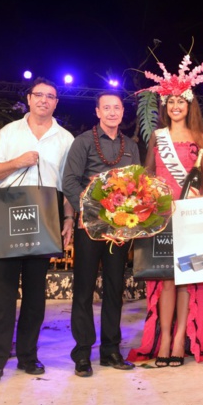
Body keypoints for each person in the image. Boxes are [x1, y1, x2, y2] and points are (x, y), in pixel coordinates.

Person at [127, 54, 203, 367]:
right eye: (171, 102)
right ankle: (164, 337)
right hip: (163, 216)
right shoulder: (158, 138)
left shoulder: (201, 137)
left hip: (191, 215)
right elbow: (146, 176)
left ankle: (180, 338)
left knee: (190, 276)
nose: (176, 107)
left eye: (181, 102)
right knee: (166, 278)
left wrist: (202, 195)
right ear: (165, 106)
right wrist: (151, 197)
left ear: (189, 105)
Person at [0, 78, 75, 385]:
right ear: (29, 98)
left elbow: (68, 186)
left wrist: (69, 219)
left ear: (56, 103)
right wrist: (18, 162)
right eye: (39, 95)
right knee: (1, 293)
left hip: (46, 216)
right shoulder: (9, 132)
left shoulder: (66, 138)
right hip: (9, 213)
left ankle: (28, 356)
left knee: (35, 293)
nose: (44, 100)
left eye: (51, 96)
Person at [62, 91, 141, 377]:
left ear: (122, 113)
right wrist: (88, 211)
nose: (111, 112)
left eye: (116, 108)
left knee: (114, 289)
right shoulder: (83, 141)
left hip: (119, 229)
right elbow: (69, 180)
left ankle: (111, 350)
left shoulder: (130, 145)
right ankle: (82, 353)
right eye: (106, 107)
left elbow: (136, 183)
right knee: (83, 290)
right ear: (97, 111)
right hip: (89, 227)